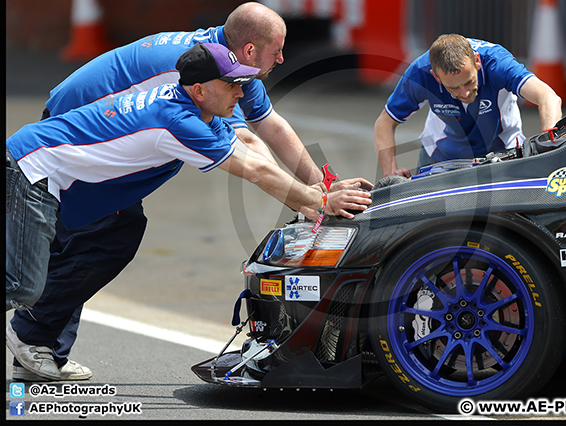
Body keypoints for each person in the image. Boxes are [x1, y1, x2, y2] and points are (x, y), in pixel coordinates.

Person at [5, 42, 373, 381]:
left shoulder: (191, 105)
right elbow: (256, 171)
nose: (241, 93)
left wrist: (315, 193)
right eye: (232, 86)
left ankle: (36, 344)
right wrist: (322, 205)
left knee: (37, 273)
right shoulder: (179, 123)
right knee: (23, 284)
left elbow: (247, 145)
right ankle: (32, 342)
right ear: (201, 90)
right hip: (29, 170)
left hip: (40, 172)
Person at [374, 33, 563, 178]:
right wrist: (391, 175)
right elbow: (384, 123)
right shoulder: (419, 73)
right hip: (441, 155)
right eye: (453, 88)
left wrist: (551, 149)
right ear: (435, 77)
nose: (464, 93)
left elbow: (548, 97)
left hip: (502, 152)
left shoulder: (497, 63)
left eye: (469, 82)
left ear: (477, 62)